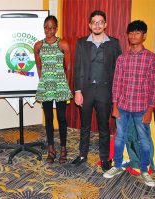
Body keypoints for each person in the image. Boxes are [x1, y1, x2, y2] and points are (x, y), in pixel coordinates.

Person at [103, 20, 155, 187]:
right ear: (128, 36)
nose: (134, 36)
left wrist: (150, 108)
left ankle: (144, 170)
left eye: (138, 33)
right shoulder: (122, 58)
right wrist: (114, 105)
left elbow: (154, 86)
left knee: (144, 139)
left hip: (142, 107)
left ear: (144, 36)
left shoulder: (152, 58)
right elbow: (117, 83)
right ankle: (118, 165)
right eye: (131, 33)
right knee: (119, 137)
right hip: (122, 106)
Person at [72, 10, 122, 171]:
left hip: (105, 91)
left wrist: (117, 94)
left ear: (105, 24)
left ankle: (105, 158)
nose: (97, 25)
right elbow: (77, 67)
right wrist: (77, 91)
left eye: (100, 22)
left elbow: (118, 70)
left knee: (104, 127)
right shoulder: (81, 43)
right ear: (89, 25)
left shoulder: (114, 43)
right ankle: (82, 154)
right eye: (94, 22)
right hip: (86, 91)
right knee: (84, 125)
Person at [34, 15, 73, 164]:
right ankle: (51, 148)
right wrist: (43, 81)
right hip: (46, 85)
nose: (48, 30)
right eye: (46, 27)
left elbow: (68, 66)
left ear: (56, 28)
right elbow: (39, 66)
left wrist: (67, 84)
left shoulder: (63, 44)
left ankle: (63, 147)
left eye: (52, 27)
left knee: (62, 118)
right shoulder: (38, 45)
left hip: (60, 85)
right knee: (49, 118)